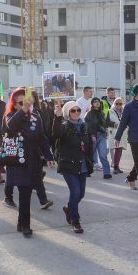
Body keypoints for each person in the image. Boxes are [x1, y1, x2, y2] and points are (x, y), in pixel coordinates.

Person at [5, 90, 56, 237]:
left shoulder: (36, 117)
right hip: (18, 159)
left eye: (27, 102)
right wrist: (23, 111)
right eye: (21, 103)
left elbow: (42, 138)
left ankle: (21, 223)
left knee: (26, 192)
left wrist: (49, 156)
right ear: (15, 105)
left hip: (33, 160)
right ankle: (26, 225)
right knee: (24, 192)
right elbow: (9, 127)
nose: (26, 105)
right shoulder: (11, 116)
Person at [53, 100, 95, 234]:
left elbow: (88, 145)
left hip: (82, 164)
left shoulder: (84, 125)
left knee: (81, 193)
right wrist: (57, 117)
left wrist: (90, 159)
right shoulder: (64, 126)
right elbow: (56, 134)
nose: (76, 113)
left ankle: (69, 207)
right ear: (67, 112)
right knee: (75, 192)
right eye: (73, 110)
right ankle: (75, 220)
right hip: (68, 164)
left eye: (78, 110)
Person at [115, 84, 138, 195]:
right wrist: (118, 137)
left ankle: (131, 178)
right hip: (135, 138)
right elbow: (123, 123)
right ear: (135, 93)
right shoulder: (129, 106)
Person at [85, 97, 113, 179]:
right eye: (95, 102)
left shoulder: (102, 113)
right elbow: (87, 126)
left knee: (103, 155)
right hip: (93, 136)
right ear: (92, 104)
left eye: (98, 102)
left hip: (102, 136)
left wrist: (113, 124)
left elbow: (106, 123)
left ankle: (107, 173)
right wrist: (92, 135)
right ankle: (87, 170)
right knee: (90, 154)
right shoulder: (89, 114)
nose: (97, 103)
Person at [108, 97, 125, 174]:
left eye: (120, 103)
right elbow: (106, 122)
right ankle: (115, 167)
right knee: (113, 149)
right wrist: (113, 124)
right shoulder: (110, 111)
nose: (118, 105)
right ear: (114, 104)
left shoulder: (124, 111)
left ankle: (116, 166)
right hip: (113, 132)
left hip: (122, 132)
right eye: (116, 103)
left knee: (119, 150)